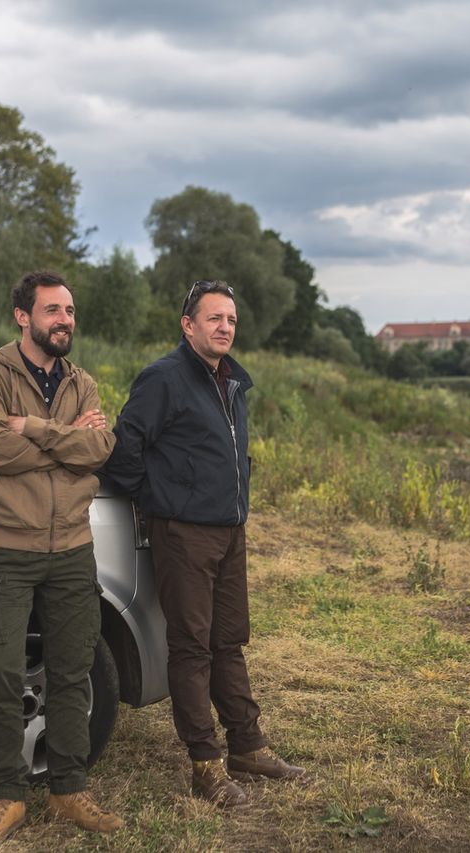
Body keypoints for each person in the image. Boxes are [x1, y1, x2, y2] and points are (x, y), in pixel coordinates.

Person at [101, 279, 305, 808]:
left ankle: (248, 746)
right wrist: (159, 498)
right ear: (188, 325)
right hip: (183, 533)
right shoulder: (164, 378)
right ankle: (205, 764)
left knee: (228, 641)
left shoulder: (231, 383)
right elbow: (125, 451)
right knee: (191, 647)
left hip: (229, 531)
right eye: (215, 318)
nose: (225, 328)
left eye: (232, 320)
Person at [0, 270, 123, 842]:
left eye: (70, 310)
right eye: (53, 310)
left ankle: (68, 789)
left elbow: (100, 447)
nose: (65, 320)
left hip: (73, 548)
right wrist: (63, 439)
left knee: (73, 670)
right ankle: (6, 797)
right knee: (2, 672)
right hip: (6, 544)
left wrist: (35, 428)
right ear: (22, 317)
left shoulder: (83, 381)